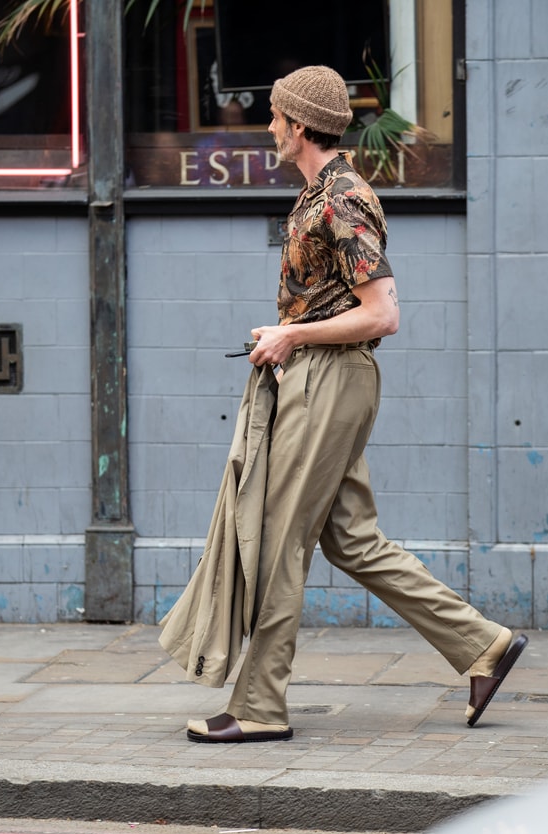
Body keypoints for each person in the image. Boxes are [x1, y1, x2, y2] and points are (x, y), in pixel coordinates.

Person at [161, 65, 527, 744]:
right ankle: (485, 644)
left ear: (299, 126)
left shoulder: (342, 199)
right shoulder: (323, 193)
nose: (268, 127)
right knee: (352, 540)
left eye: (274, 116)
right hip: (321, 375)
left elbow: (383, 314)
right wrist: (287, 333)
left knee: (277, 541)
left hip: (328, 381)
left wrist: (292, 334)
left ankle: (260, 705)